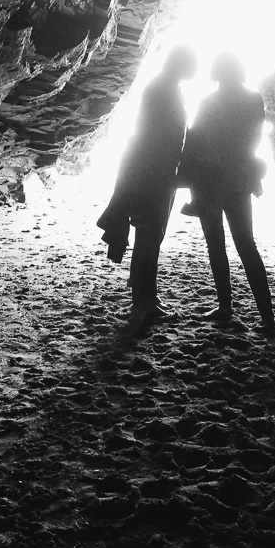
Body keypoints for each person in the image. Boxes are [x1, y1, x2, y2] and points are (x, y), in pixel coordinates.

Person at [97, 44, 197, 336]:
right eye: (192, 64)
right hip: (152, 171)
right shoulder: (161, 89)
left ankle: (145, 297)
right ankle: (143, 300)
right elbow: (154, 135)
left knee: (150, 234)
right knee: (149, 233)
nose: (196, 70)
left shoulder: (167, 87)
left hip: (159, 171)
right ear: (181, 63)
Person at [179, 52, 275, 335]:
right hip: (239, 180)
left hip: (209, 182)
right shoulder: (253, 99)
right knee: (246, 245)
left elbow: (195, 140)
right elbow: (255, 139)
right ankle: (268, 320)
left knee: (216, 244)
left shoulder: (209, 101)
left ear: (216, 73)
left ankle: (225, 307)